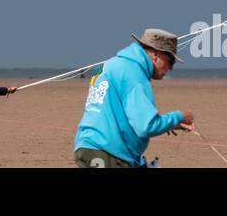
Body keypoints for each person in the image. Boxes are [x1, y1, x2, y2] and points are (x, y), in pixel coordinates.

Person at [74, 29, 194, 168]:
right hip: (105, 151)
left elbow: (120, 114)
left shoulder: (115, 64)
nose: (171, 68)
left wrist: (168, 123)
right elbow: (146, 127)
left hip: (91, 147)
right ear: (156, 55)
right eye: (171, 61)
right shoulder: (134, 74)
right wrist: (179, 117)